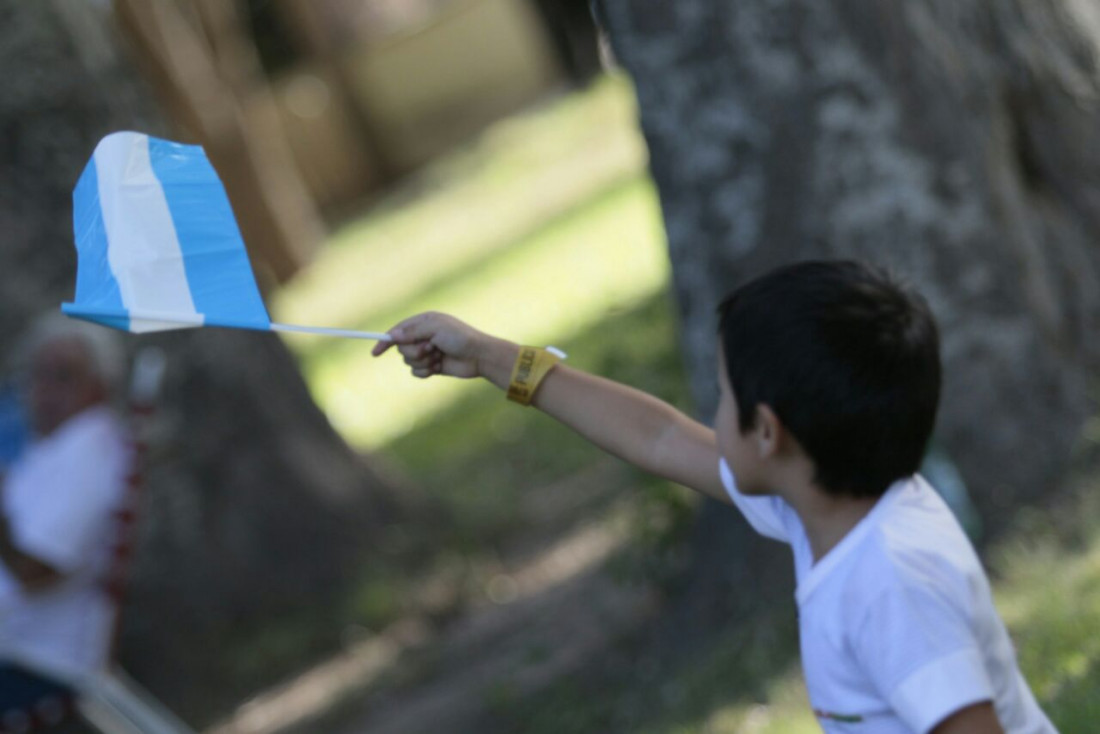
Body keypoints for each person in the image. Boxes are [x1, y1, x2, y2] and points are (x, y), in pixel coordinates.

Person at [372, 260, 1056, 734]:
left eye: (724, 395)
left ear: (768, 432)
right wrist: (493, 358)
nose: (711, 412)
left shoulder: (888, 583)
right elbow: (660, 436)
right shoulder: (836, 497)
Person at [0, 314, 130, 728]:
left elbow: (36, 571)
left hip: (36, 663)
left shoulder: (89, 452)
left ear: (99, 384)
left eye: (64, 375)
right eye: (37, 373)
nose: (45, 388)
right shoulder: (52, 449)